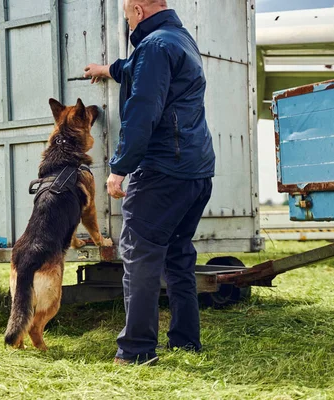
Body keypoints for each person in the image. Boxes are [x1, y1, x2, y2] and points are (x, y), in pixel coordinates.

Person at [83, 0, 215, 365]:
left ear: (138, 10)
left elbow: (142, 111)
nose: (127, 21)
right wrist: (107, 69)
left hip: (163, 172)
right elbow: (135, 68)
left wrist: (119, 167)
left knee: (139, 256)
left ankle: (137, 350)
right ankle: (186, 341)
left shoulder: (154, 47)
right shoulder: (179, 39)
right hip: (197, 171)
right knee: (178, 255)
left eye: (127, 15)